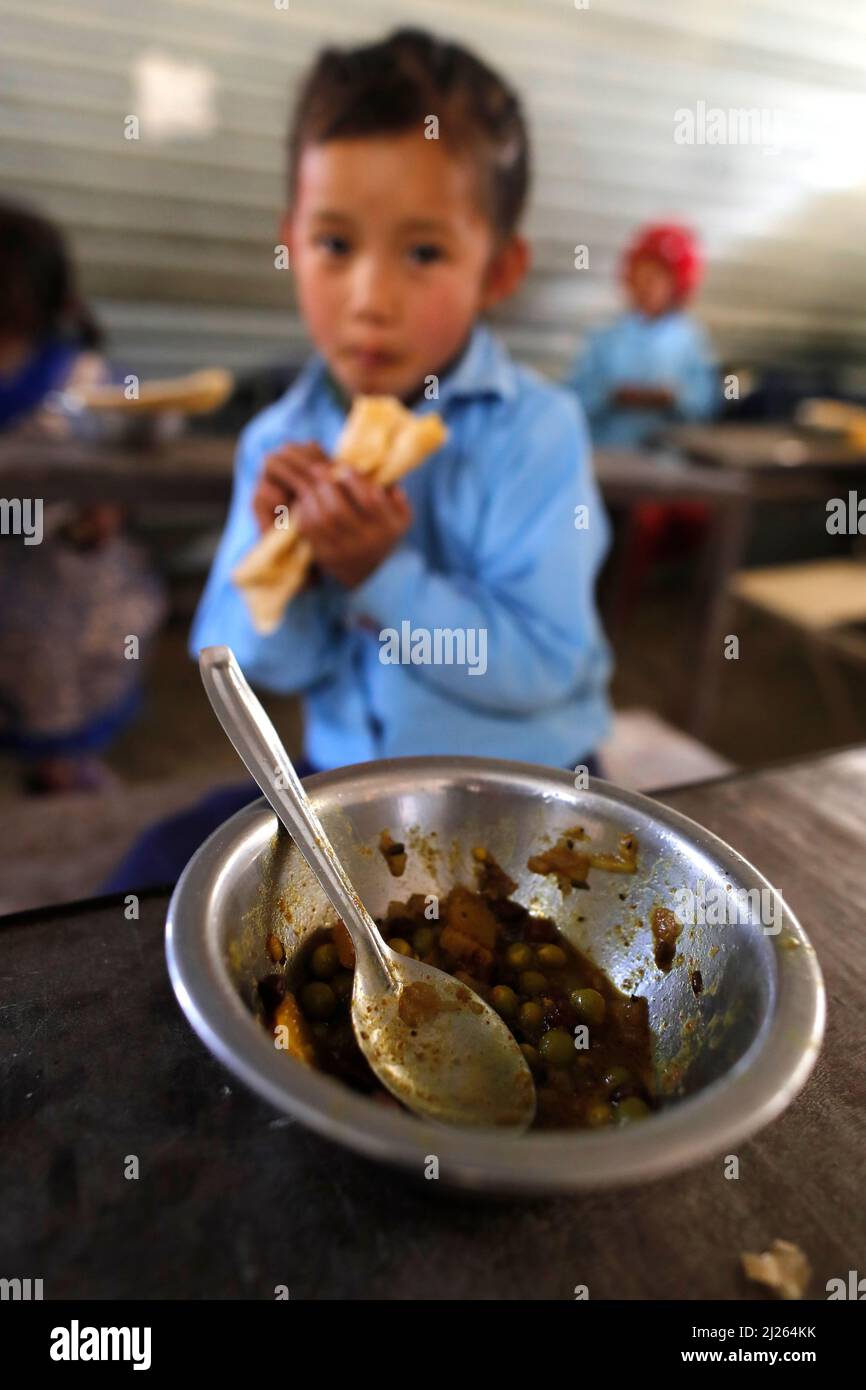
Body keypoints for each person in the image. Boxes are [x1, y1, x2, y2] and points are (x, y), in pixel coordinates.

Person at [105, 28, 612, 891]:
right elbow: (248, 666)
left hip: (524, 794)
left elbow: (546, 665)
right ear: (291, 241)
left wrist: (382, 576)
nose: (369, 301)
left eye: (423, 252)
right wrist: (288, 566)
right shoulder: (280, 442)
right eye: (335, 244)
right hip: (346, 791)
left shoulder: (539, 432)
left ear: (499, 270)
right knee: (157, 871)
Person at [0, 201, 165, 792]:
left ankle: (63, 771)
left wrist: (109, 506)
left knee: (56, 684)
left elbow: (144, 436)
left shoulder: (87, 384)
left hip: (72, 588)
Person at [567, 223, 717, 449]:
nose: (648, 285)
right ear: (630, 277)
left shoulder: (690, 341)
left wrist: (674, 398)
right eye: (643, 274)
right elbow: (573, 399)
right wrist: (611, 395)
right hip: (609, 457)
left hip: (669, 465)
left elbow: (708, 404)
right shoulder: (604, 337)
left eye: (659, 277)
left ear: (677, 285)